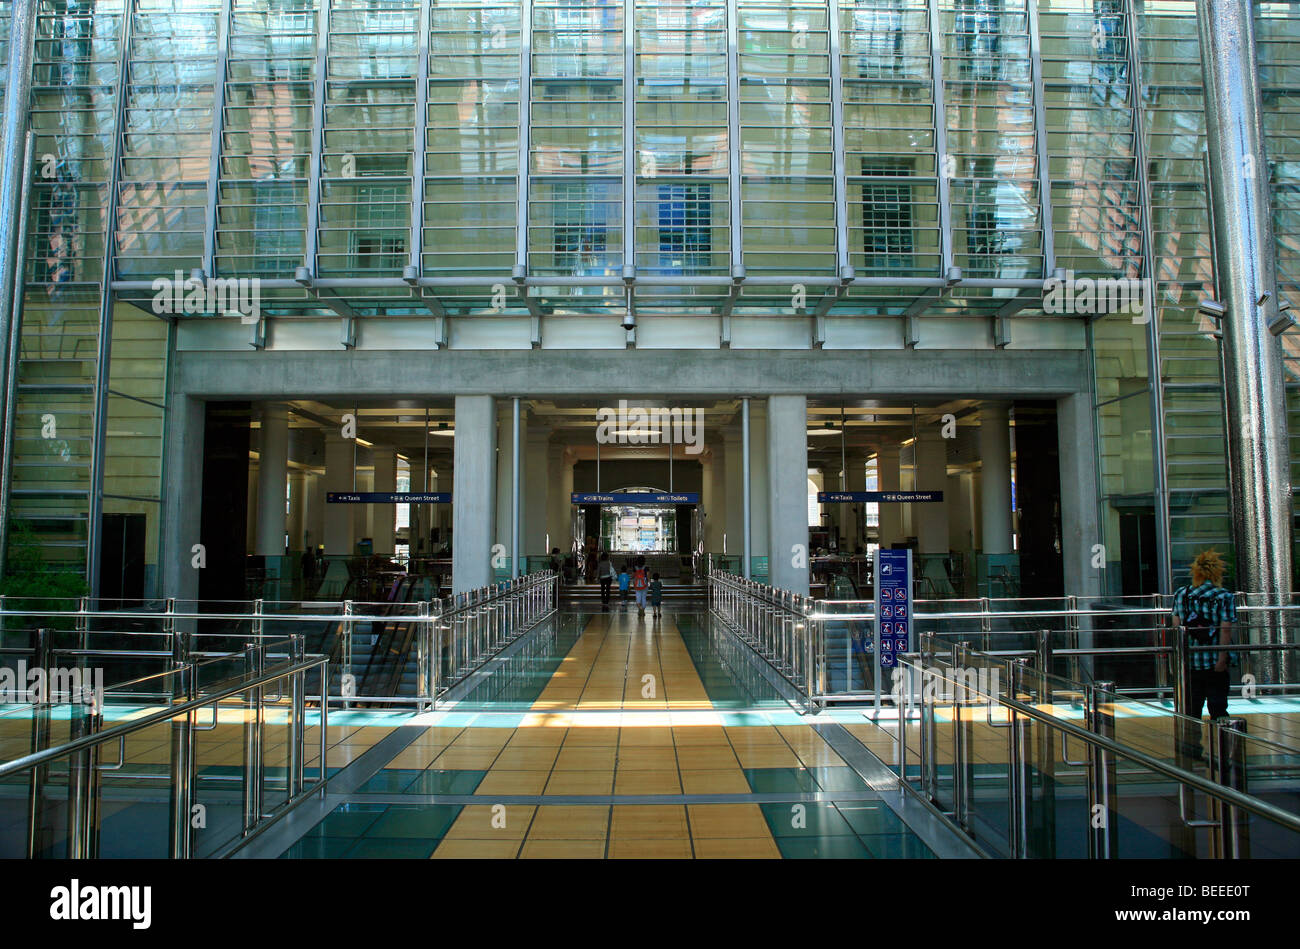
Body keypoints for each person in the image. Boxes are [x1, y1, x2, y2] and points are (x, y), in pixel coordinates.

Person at [1171, 549, 1237, 762]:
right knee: (1218, 706)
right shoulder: (1224, 596)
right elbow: (1225, 628)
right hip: (1214, 663)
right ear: (1217, 572)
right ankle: (1226, 752)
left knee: (1191, 710)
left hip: (1189, 662)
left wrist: (1178, 659)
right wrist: (1221, 658)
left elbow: (1176, 626)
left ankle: (1191, 753)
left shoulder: (1182, 594)